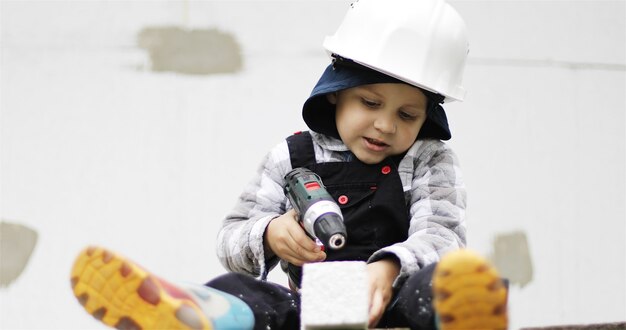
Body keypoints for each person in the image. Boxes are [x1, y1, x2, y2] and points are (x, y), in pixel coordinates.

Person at [71, 0, 508, 329]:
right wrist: (269, 233)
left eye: (407, 115)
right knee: (250, 296)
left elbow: (442, 235)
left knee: (436, 284)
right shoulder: (291, 155)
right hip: (309, 309)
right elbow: (230, 240)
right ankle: (191, 313)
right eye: (370, 102)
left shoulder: (430, 158)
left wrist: (389, 267)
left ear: (428, 115)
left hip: (394, 306)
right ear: (336, 90)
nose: (385, 125)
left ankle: (463, 315)